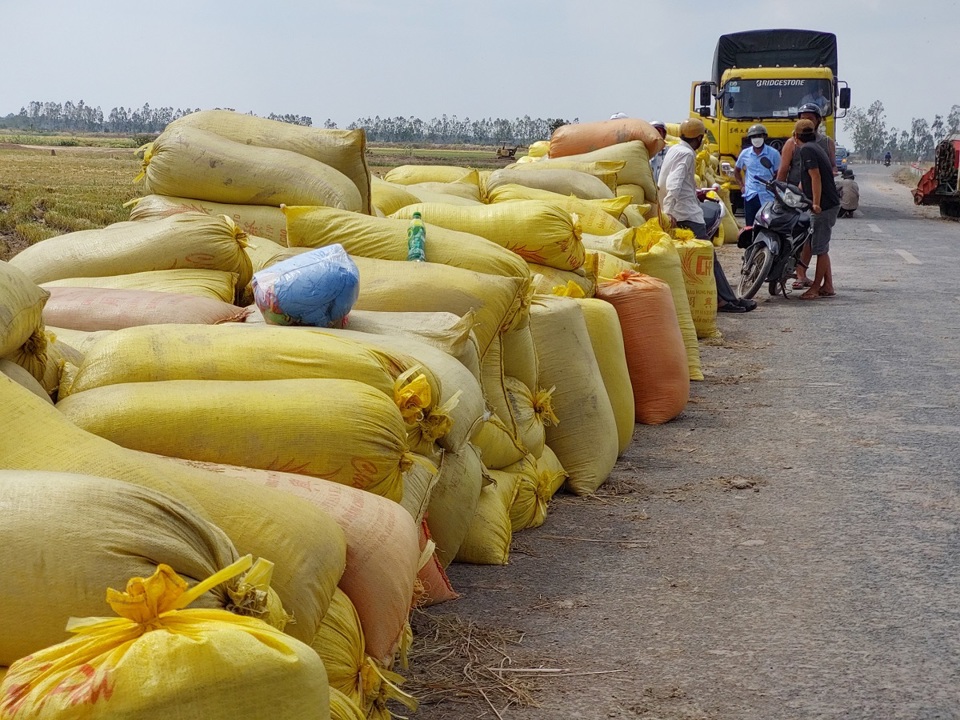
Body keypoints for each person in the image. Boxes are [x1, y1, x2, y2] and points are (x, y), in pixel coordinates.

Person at [658, 117, 755, 313]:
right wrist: (668, 212)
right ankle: (726, 300)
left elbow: (671, 181)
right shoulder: (686, 154)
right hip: (686, 215)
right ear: (700, 138)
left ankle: (724, 298)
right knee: (708, 258)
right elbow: (674, 183)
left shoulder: (675, 149)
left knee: (698, 259)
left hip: (679, 210)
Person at [777, 103, 836, 288]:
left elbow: (816, 175)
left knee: (816, 243)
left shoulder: (821, 144)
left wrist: (816, 203)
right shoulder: (793, 145)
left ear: (818, 121)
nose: (807, 120)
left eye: (810, 117)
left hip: (814, 200)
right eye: (803, 117)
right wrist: (780, 193)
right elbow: (783, 171)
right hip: (796, 197)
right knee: (811, 240)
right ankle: (820, 282)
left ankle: (817, 284)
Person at [792, 118, 840, 300]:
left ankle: (815, 288)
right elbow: (806, 180)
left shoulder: (806, 150)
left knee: (820, 249)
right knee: (817, 244)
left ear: (796, 136)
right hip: (829, 204)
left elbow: (815, 177)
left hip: (825, 206)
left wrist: (816, 203)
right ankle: (827, 285)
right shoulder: (816, 147)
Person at [733, 123, 781, 227]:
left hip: (768, 196)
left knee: (768, 225)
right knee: (750, 226)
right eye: (754, 136)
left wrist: (775, 187)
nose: (757, 139)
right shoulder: (745, 153)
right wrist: (742, 186)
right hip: (751, 195)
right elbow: (736, 170)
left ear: (764, 137)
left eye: (759, 136)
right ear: (750, 139)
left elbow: (779, 174)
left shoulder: (774, 153)